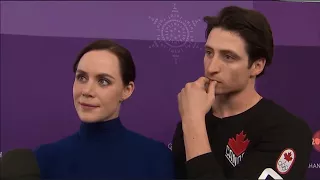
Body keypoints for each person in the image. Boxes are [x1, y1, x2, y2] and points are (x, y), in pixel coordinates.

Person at [172, 6, 312, 180]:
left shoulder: (288, 130)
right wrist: (193, 121)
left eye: (228, 57)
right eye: (209, 53)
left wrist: (193, 123)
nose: (211, 68)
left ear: (257, 66)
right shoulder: (192, 121)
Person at [33, 40, 173, 179]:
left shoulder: (156, 158)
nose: (87, 91)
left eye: (103, 81)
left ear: (127, 90)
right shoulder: (44, 159)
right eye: (81, 77)